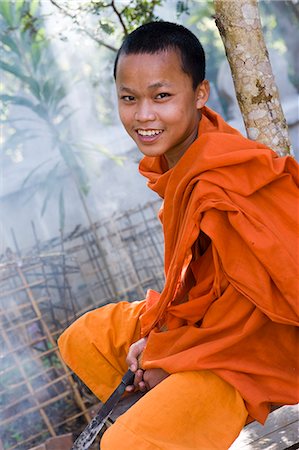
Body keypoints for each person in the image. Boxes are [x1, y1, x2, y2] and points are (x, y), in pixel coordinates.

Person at [58, 22, 299, 449]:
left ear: (200, 93)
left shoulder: (227, 173)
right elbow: (201, 287)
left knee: (123, 445)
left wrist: (168, 356)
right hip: (209, 330)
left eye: (161, 96)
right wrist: (159, 341)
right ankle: (164, 413)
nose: (143, 115)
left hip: (248, 358)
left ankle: (164, 420)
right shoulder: (181, 165)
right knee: (84, 337)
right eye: (129, 99)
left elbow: (263, 308)